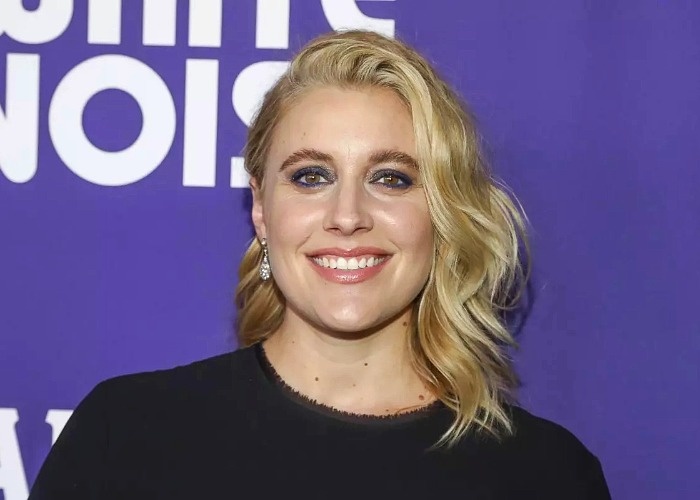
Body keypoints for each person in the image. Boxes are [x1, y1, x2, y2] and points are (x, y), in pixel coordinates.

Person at [29, 30, 611, 499]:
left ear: (441, 213)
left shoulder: (546, 475)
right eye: (311, 176)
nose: (348, 215)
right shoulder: (126, 435)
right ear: (261, 209)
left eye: (391, 178)